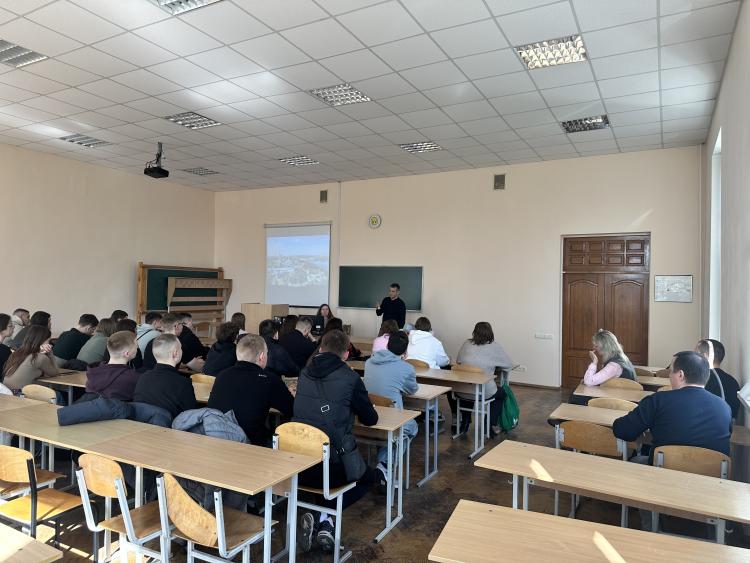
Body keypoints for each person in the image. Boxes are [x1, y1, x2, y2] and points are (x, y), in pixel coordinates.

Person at [294, 330, 378, 553]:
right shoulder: (350, 378)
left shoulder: (304, 373)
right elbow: (370, 419)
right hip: (331, 465)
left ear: (321, 348)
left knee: (325, 478)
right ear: (346, 354)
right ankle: (323, 515)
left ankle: (323, 520)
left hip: (299, 463)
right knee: (368, 478)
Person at [613, 351, 731, 459]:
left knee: (636, 459)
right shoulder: (724, 407)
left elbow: (623, 430)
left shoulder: (657, 400)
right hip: (710, 473)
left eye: (671, 371)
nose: (669, 375)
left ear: (680, 375)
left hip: (662, 470)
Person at [208, 334, 294, 446]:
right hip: (250, 444)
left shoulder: (222, 375)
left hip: (215, 437)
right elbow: (291, 410)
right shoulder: (269, 380)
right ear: (262, 356)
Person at [363, 330, 418, 489]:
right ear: (405, 351)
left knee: (392, 432)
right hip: (390, 420)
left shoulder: (369, 362)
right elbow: (412, 390)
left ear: (387, 345)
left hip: (368, 416)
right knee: (412, 426)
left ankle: (383, 466)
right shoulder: (406, 368)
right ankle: (385, 465)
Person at [454, 322, 513, 435]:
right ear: (490, 333)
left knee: (469, 389)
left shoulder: (466, 343)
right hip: (484, 392)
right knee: (502, 394)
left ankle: (465, 422)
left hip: (461, 391)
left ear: (474, 332)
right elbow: (508, 365)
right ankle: (489, 425)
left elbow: (458, 362)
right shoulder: (495, 346)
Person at [133, 334, 196, 418]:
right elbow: (191, 416)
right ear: (175, 353)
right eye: (180, 348)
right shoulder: (183, 383)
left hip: (141, 423)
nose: (182, 350)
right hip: (170, 425)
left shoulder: (142, 377)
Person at [86, 331, 141, 400]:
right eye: (136, 345)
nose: (137, 347)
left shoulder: (94, 372)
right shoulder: (133, 377)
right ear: (127, 354)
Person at [1, 325, 58, 391]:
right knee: (59, 394)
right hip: (19, 394)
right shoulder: (40, 357)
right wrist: (50, 354)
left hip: (5, 392)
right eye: (48, 341)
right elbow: (55, 373)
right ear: (42, 341)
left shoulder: (16, 353)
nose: (50, 344)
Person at [697, 339, 741, 419]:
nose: (692, 358)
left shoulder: (698, 381)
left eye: (695, 354)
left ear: (704, 356)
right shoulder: (733, 382)